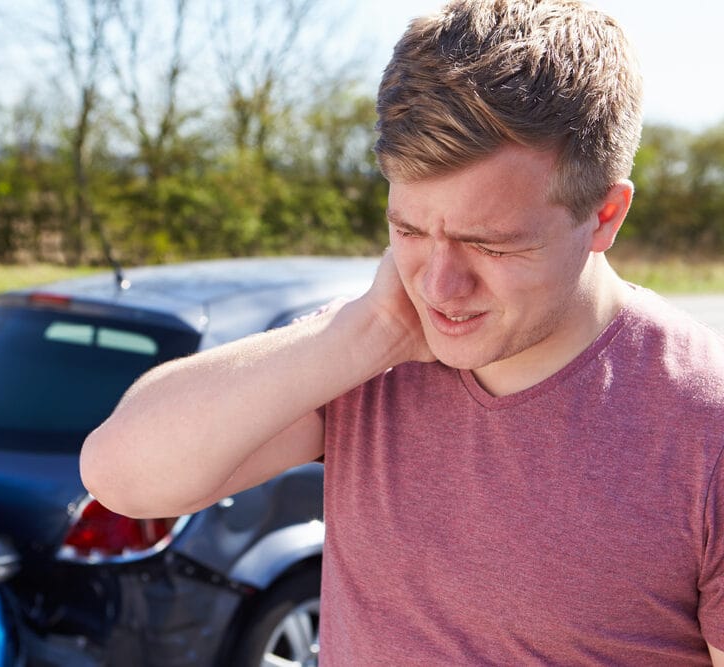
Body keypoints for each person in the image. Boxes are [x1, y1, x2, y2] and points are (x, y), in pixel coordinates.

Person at [80, 0, 724, 663]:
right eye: (410, 230)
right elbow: (119, 475)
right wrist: (367, 333)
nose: (439, 286)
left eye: (490, 244)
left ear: (605, 215)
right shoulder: (369, 358)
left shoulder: (704, 423)